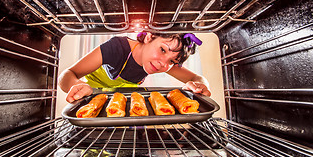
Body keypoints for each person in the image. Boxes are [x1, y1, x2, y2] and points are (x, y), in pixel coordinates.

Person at [58, 32, 211, 103]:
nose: (163, 64)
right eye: (163, 49)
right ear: (149, 37)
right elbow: (68, 74)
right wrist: (78, 86)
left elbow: (196, 78)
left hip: (123, 106)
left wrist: (200, 85)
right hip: (91, 100)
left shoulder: (161, 62)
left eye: (172, 61)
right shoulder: (116, 48)